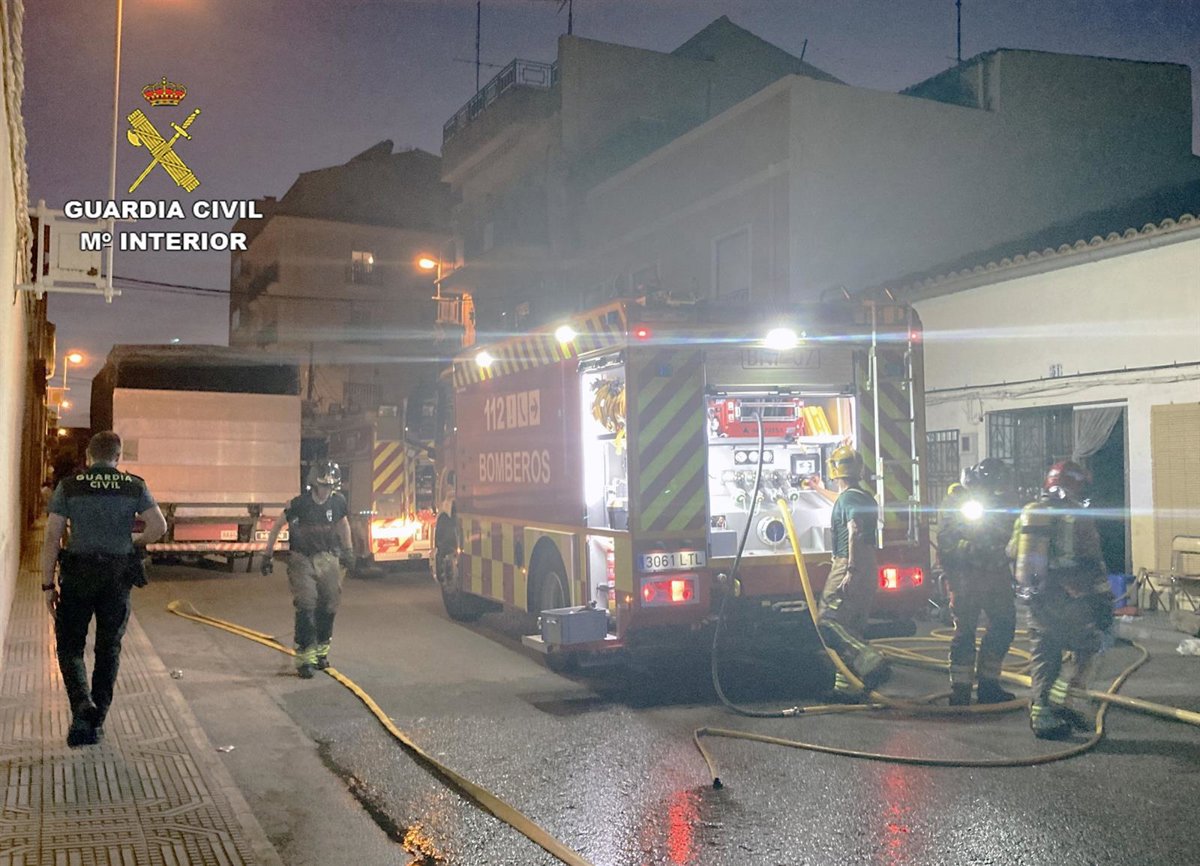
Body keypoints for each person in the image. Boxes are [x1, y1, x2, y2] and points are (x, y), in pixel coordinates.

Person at [40, 431, 167, 747]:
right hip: (116, 576)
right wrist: (133, 543)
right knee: (108, 648)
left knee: (70, 646)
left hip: (78, 576)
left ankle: (82, 706)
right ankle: (97, 722)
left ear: (88, 456)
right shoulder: (133, 485)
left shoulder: (70, 486)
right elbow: (158, 526)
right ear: (118, 457)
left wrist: (47, 584)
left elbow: (52, 537)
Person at [1010, 460, 1114, 739]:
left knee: (1044, 654)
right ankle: (1066, 701)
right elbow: (1092, 562)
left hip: (1037, 597)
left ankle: (1042, 715)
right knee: (1092, 645)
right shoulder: (1077, 516)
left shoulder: (1030, 513)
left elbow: (1012, 553)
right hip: (1071, 597)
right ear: (1077, 485)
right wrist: (1104, 602)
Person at [261, 460, 354, 678]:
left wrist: (348, 550)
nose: (326, 491)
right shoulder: (299, 504)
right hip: (302, 559)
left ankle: (321, 652)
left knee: (329, 603)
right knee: (306, 604)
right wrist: (267, 554)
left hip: (328, 557)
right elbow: (278, 525)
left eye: (330, 487)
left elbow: (343, 524)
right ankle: (305, 660)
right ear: (314, 484)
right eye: (323, 486)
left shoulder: (337, 503)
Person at [938, 458, 1019, 706]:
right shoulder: (959, 502)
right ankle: (960, 689)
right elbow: (947, 543)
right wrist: (974, 550)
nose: (999, 489)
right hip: (967, 577)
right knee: (965, 632)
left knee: (1004, 625)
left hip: (996, 576)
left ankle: (989, 685)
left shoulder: (1005, 503)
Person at [817, 445, 889, 695]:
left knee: (827, 621)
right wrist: (817, 488)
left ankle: (871, 661)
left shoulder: (849, 499)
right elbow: (842, 501)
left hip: (850, 561)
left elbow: (854, 530)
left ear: (834, 470)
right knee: (851, 626)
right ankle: (847, 687)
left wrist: (850, 569)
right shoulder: (860, 496)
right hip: (867, 563)